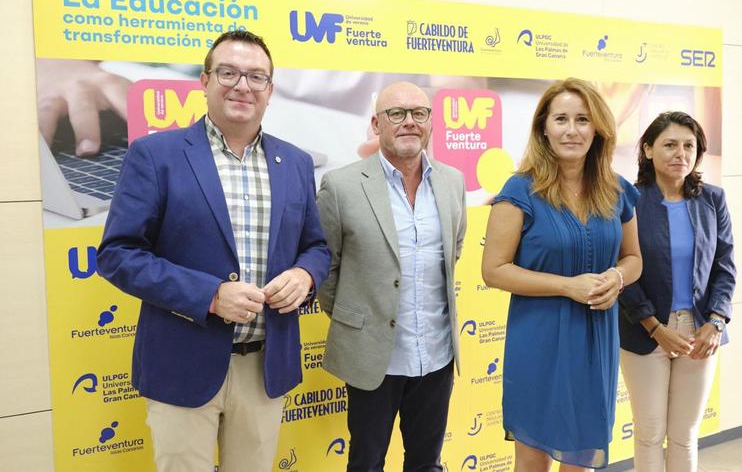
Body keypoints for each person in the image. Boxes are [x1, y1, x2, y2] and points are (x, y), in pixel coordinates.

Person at [96, 30, 331, 472]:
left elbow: (315, 246)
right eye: (229, 72)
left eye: (256, 76)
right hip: (182, 361)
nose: (243, 85)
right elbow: (118, 253)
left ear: (270, 91)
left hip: (266, 365)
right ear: (204, 81)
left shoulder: (296, 162)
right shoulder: (156, 155)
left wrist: (305, 275)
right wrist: (209, 295)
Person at [481, 78, 642, 471]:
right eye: (561, 119)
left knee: (582, 460)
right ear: (544, 128)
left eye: (583, 119)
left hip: (595, 342)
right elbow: (494, 270)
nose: (572, 130)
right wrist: (567, 286)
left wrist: (617, 278)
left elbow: (634, 258)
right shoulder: (520, 189)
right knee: (532, 460)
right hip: (538, 341)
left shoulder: (616, 190)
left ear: (598, 128)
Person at [316, 81, 467, 471]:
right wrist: (359, 320)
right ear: (376, 124)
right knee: (366, 462)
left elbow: (454, 248)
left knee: (426, 462)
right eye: (396, 114)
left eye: (419, 113)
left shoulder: (452, 182)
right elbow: (325, 268)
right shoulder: (341, 185)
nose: (409, 122)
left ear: (431, 123)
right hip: (373, 359)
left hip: (436, 356)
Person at [618, 111, 736, 472]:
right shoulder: (630, 200)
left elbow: (725, 266)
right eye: (670, 144)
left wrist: (715, 321)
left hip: (701, 332)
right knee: (650, 434)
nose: (680, 153)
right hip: (645, 331)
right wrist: (655, 327)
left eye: (689, 145)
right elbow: (624, 270)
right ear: (649, 149)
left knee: (685, 435)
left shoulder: (713, 199)